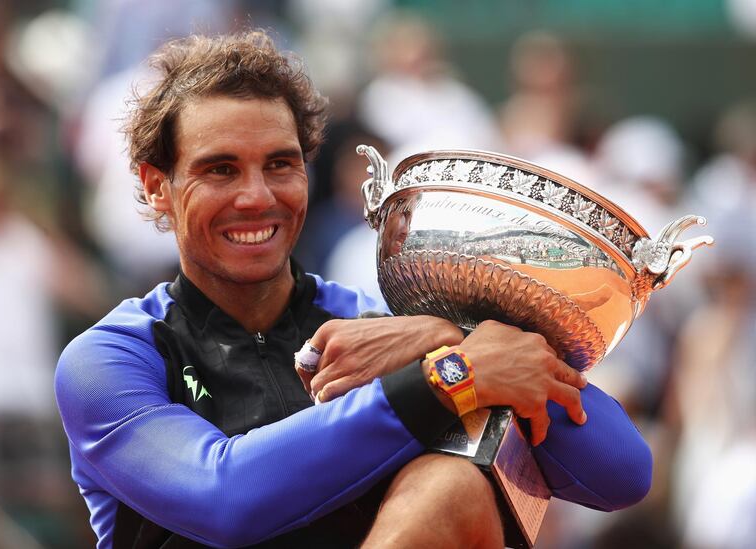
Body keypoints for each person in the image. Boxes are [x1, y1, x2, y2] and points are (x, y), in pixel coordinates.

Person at [54, 31, 652, 548]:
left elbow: (622, 473)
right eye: (221, 169)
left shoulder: (384, 328)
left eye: (281, 164)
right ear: (157, 186)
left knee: (452, 490)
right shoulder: (110, 359)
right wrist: (450, 377)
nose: (258, 196)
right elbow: (225, 498)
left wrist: (446, 338)